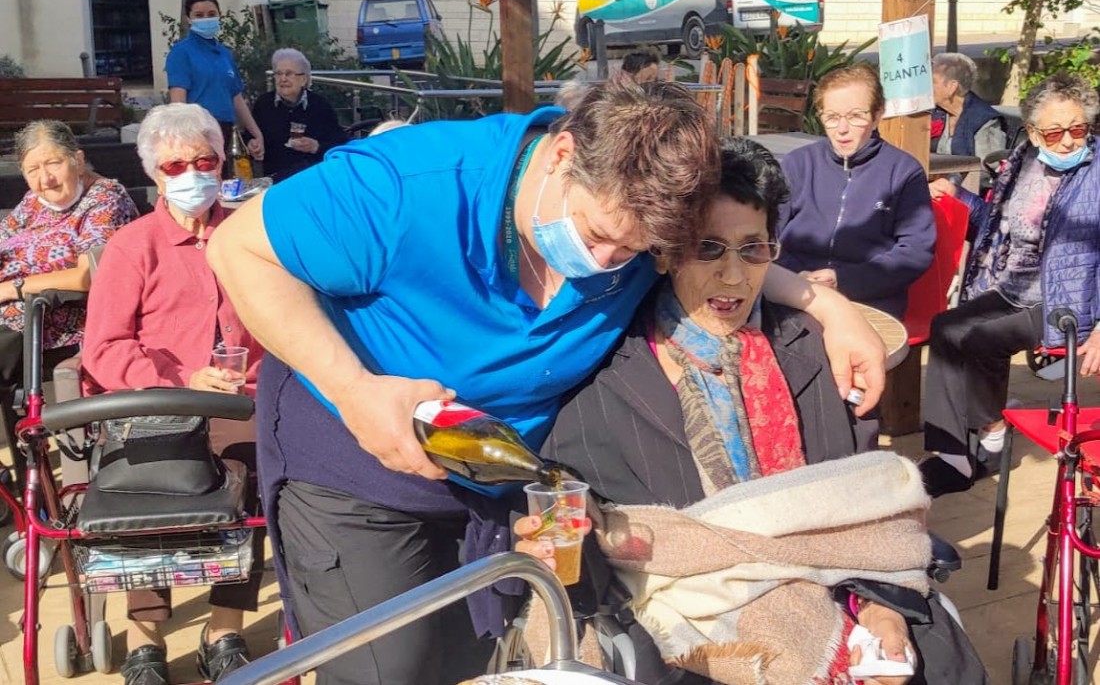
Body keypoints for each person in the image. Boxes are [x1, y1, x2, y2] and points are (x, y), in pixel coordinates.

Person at [206, 78, 888, 685]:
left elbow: (725, 257)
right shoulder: (409, 184)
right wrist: (354, 389)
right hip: (359, 460)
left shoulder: (643, 228)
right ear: (563, 155)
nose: (607, 261)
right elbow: (239, 249)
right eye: (597, 233)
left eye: (636, 250)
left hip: (497, 476)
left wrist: (826, 305)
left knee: (481, 659)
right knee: (390, 667)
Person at [520, 138, 988, 685]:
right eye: (708, 248)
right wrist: (557, 548)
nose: (734, 276)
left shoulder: (816, 353)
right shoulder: (600, 373)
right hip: (680, 635)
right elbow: (585, 534)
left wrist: (880, 611)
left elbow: (868, 515)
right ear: (665, 252)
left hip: (837, 604)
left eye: (753, 249)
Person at [81, 104, 266, 685]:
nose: (192, 174)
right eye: (175, 165)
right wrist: (183, 377)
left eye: (203, 161)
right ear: (155, 176)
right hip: (159, 401)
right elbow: (103, 347)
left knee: (255, 469)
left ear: (221, 164)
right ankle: (146, 639)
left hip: (241, 396)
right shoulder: (133, 245)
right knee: (150, 490)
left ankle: (224, 628)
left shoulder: (246, 234)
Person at [920, 72, 1100, 497]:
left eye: (1077, 129)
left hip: (1068, 302)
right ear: (1033, 133)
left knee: (983, 340)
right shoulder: (1025, 161)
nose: (1068, 141)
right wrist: (960, 198)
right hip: (1011, 285)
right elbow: (997, 224)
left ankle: (993, 432)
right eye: (1054, 132)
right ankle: (952, 454)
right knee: (945, 327)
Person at [0, 120, 137, 490]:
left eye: (53, 163)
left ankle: (27, 489)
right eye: (32, 169)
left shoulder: (105, 199)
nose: (45, 179)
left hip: (63, 322)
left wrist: (13, 287)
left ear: (77, 159)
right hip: (19, 320)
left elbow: (88, 276)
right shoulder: (32, 205)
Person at [777, 63, 935, 321]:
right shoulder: (798, 164)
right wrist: (793, 274)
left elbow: (915, 250)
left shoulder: (903, 172)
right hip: (793, 289)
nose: (842, 129)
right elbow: (766, 235)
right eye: (831, 117)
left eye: (855, 116)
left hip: (868, 299)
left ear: (877, 115)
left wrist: (843, 279)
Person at [166, 0, 265, 168]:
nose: (206, 19)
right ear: (188, 19)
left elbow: (236, 96)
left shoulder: (224, 53)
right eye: (199, 15)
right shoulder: (181, 52)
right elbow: (178, 100)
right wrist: (184, 138)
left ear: (219, 15)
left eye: (211, 14)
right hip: (198, 131)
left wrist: (256, 133)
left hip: (226, 129)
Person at [250, 48, 347, 183]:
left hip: (312, 177)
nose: (283, 79)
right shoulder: (264, 104)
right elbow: (249, 136)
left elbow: (340, 142)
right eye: (278, 74)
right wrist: (252, 144)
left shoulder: (319, 105)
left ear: (303, 79)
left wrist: (316, 147)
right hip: (275, 179)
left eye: (289, 74)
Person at [930, 53, 1007, 162]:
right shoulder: (934, 112)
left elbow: (988, 166)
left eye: (933, 82)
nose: (926, 87)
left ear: (952, 86)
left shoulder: (984, 120)